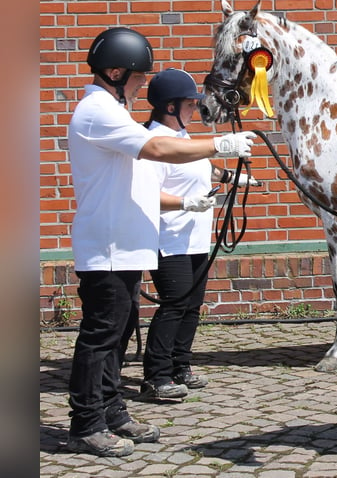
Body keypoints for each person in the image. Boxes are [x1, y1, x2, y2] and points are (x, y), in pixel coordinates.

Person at [66, 27, 256, 457]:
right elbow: (159, 149)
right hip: (109, 245)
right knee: (101, 337)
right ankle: (85, 423)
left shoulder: (111, 110)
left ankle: (111, 410)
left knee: (118, 336)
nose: (141, 84)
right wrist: (220, 144)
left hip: (127, 244)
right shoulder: (97, 111)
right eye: (138, 76)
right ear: (115, 71)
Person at [138, 68, 258, 401]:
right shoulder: (154, 143)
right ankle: (156, 376)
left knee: (192, 306)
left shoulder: (183, 139)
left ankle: (181, 365)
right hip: (168, 239)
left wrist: (234, 178)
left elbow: (203, 167)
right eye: (190, 103)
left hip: (195, 238)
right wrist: (185, 203)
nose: (195, 109)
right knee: (174, 305)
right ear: (171, 106)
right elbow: (147, 195)